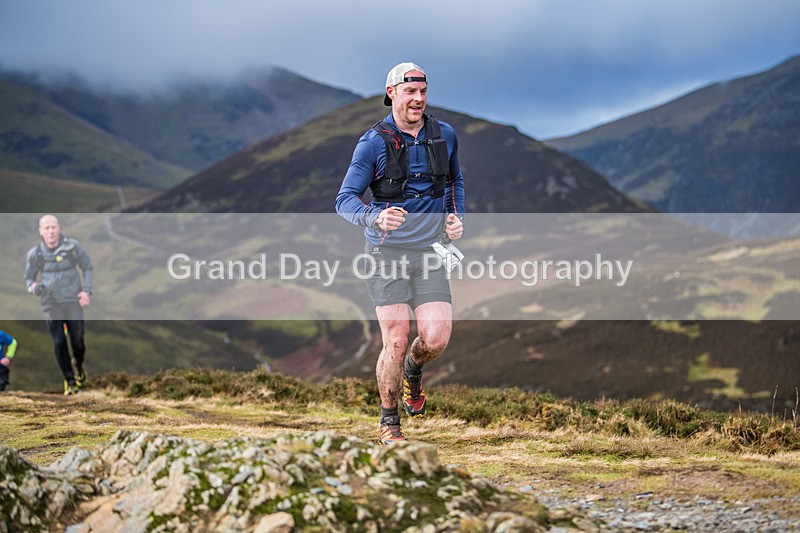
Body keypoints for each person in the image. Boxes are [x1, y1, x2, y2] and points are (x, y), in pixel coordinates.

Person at [335, 62, 465, 444]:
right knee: (395, 336)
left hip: (430, 251)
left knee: (436, 338)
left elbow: (454, 180)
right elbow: (344, 200)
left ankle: (413, 368)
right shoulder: (373, 142)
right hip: (386, 253)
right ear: (392, 92)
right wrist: (374, 217)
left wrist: (456, 217)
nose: (418, 100)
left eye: (423, 92)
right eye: (410, 92)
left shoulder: (445, 135)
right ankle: (389, 421)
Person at [23, 214, 93, 396]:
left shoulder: (73, 247)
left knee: (78, 342)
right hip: (51, 304)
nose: (51, 231)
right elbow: (28, 278)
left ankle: (78, 365)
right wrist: (33, 287)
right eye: (46, 228)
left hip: (72, 301)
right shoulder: (35, 254)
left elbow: (87, 267)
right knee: (59, 342)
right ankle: (70, 382)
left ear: (59, 228)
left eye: (53, 227)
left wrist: (86, 290)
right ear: (41, 232)